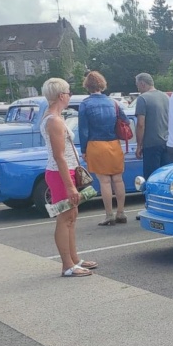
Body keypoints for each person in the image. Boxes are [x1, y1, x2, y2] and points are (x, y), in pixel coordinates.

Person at [40, 78, 98, 277]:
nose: (69, 96)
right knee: (65, 218)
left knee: (71, 216)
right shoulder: (54, 120)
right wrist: (70, 186)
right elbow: (59, 156)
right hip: (60, 173)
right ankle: (67, 265)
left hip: (64, 171)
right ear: (61, 95)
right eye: (68, 92)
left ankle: (74, 259)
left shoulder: (54, 117)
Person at [79, 71, 128, 226]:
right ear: (102, 84)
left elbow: (83, 130)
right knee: (118, 180)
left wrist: (84, 150)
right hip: (114, 144)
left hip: (96, 145)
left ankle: (109, 215)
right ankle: (121, 212)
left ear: (87, 86)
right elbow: (125, 120)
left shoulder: (85, 104)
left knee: (105, 182)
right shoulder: (114, 103)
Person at [133, 73, 172, 178]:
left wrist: (139, 145)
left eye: (137, 85)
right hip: (167, 142)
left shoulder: (143, 98)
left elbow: (141, 124)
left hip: (151, 144)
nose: (138, 88)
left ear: (142, 84)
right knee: (166, 176)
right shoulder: (165, 97)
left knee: (152, 177)